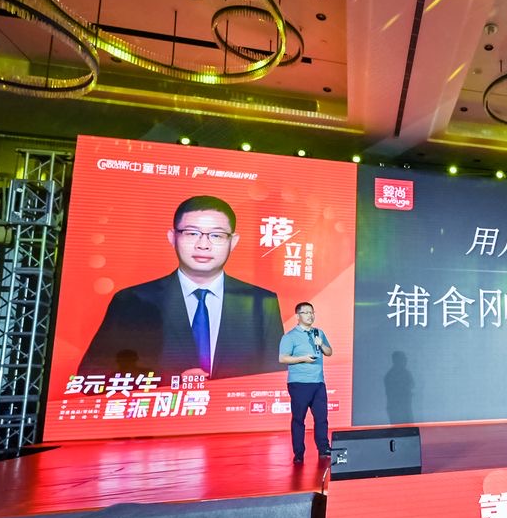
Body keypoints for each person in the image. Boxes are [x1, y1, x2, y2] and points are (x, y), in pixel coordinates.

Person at [79, 195, 284, 378]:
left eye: (217, 235)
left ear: (233, 241)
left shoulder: (262, 302)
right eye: (191, 233)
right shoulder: (132, 301)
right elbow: (90, 375)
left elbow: (276, 378)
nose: (203, 245)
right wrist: (168, 383)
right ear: (172, 237)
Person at [279, 302, 333, 464]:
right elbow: (283, 358)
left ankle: (323, 448)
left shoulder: (319, 333)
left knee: (321, 418)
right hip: (299, 383)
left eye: (312, 312)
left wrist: (321, 344)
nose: (310, 315)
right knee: (299, 419)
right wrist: (302, 359)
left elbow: (329, 352)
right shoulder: (290, 336)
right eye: (306, 313)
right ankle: (299, 452)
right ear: (298, 316)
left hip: (318, 382)